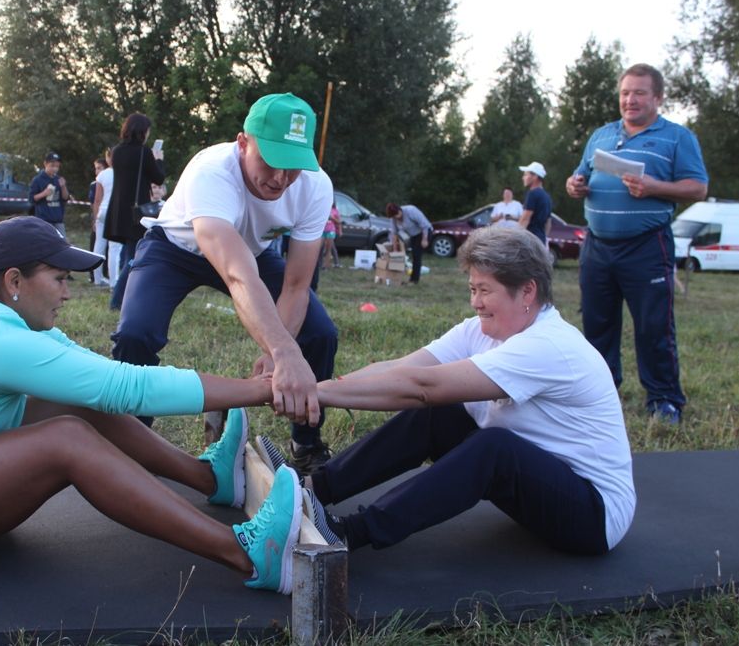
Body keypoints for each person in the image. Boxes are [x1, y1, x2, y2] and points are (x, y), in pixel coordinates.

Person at [0, 216, 303, 594]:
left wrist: (254, 385)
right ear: (14, 281)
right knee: (66, 440)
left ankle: (210, 478)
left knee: (75, 402)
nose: (68, 293)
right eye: (59, 278)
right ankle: (249, 555)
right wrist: (263, 388)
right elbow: (126, 387)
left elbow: (96, 381)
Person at [260, 226, 636, 557]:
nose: (475, 302)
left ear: (527, 291)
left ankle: (348, 534)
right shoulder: (481, 330)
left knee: (492, 446)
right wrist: (316, 387)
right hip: (545, 485)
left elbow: (424, 387)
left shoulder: (547, 345)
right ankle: (312, 489)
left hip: (593, 516)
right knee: (442, 415)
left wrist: (315, 394)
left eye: (484, 290)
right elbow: (402, 368)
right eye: (473, 288)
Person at [110, 93, 338, 474]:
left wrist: (274, 352)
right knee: (136, 333)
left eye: (293, 167)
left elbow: (297, 286)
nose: (281, 179)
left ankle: (306, 443)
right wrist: (283, 350)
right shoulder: (212, 171)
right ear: (243, 143)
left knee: (319, 335)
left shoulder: (315, 186)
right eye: (271, 162)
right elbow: (237, 274)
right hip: (177, 248)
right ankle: (128, 443)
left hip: (254, 252)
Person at [565, 63, 708, 425]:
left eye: (639, 93)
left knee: (652, 326)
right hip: (597, 245)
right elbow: (581, 174)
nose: (630, 100)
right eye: (625, 93)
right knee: (597, 324)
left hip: (646, 245)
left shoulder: (677, 137)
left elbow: (698, 187)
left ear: (657, 97)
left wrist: (655, 188)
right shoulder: (601, 135)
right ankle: (599, 393)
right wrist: (575, 184)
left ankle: (664, 400)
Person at [105, 113, 166, 310]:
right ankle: (117, 300)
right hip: (137, 212)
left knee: (127, 254)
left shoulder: (116, 152)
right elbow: (158, 178)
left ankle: (123, 297)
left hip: (118, 210)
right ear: (142, 131)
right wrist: (158, 160)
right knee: (133, 258)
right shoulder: (144, 153)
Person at [90, 154, 119, 288]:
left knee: (99, 245)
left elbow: (97, 199)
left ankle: (97, 278)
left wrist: (95, 218)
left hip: (103, 210)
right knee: (114, 248)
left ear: (108, 159)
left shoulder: (102, 175)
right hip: (115, 211)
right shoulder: (124, 172)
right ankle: (114, 282)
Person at [385, 202, 432, 285]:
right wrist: (395, 249)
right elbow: (394, 233)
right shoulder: (393, 219)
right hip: (413, 235)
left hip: (424, 232)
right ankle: (410, 279)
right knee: (414, 255)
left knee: (416, 255)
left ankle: (414, 281)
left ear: (400, 210)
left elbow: (425, 225)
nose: (396, 217)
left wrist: (425, 240)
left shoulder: (411, 210)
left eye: (397, 215)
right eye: (394, 216)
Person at [29, 152, 69, 236]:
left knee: (62, 243)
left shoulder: (58, 179)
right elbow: (32, 198)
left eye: (57, 166)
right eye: (52, 166)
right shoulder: (38, 180)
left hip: (58, 220)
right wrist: (44, 193)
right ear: (45, 164)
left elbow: (65, 198)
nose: (55, 169)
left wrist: (63, 186)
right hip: (44, 220)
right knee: (44, 244)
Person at [517, 162, 552, 244]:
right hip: (540, 239)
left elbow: (525, 219)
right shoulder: (546, 196)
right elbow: (548, 222)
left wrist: (516, 238)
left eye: (525, 175)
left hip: (530, 239)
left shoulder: (532, 194)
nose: (523, 178)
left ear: (535, 176)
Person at [321, 200, 342, 269]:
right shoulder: (323, 208)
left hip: (331, 231)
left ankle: (325, 266)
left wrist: (332, 218)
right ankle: (320, 264)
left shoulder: (335, 210)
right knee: (321, 248)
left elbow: (339, 222)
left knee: (328, 249)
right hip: (322, 231)